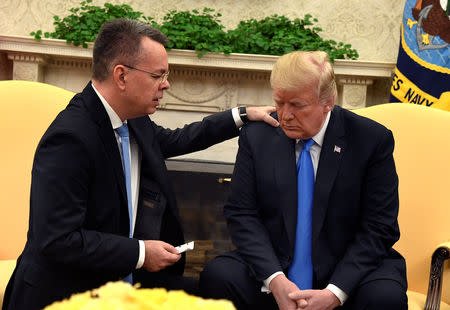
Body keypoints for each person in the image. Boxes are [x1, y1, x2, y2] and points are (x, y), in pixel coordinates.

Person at [2, 18, 278, 310]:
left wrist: (242, 115)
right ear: (121, 76)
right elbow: (58, 241)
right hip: (68, 294)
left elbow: (177, 140)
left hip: (120, 282)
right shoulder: (70, 138)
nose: (166, 84)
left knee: (219, 292)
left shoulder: (131, 118)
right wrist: (142, 252)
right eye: (158, 75)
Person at [199, 51, 408, 310]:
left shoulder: (370, 140)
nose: (285, 115)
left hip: (346, 267)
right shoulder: (258, 136)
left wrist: (334, 292)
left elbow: (379, 227)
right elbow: (242, 214)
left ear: (328, 102)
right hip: (276, 263)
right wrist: (275, 280)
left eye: (297, 105)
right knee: (219, 276)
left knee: (385, 297)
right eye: (279, 102)